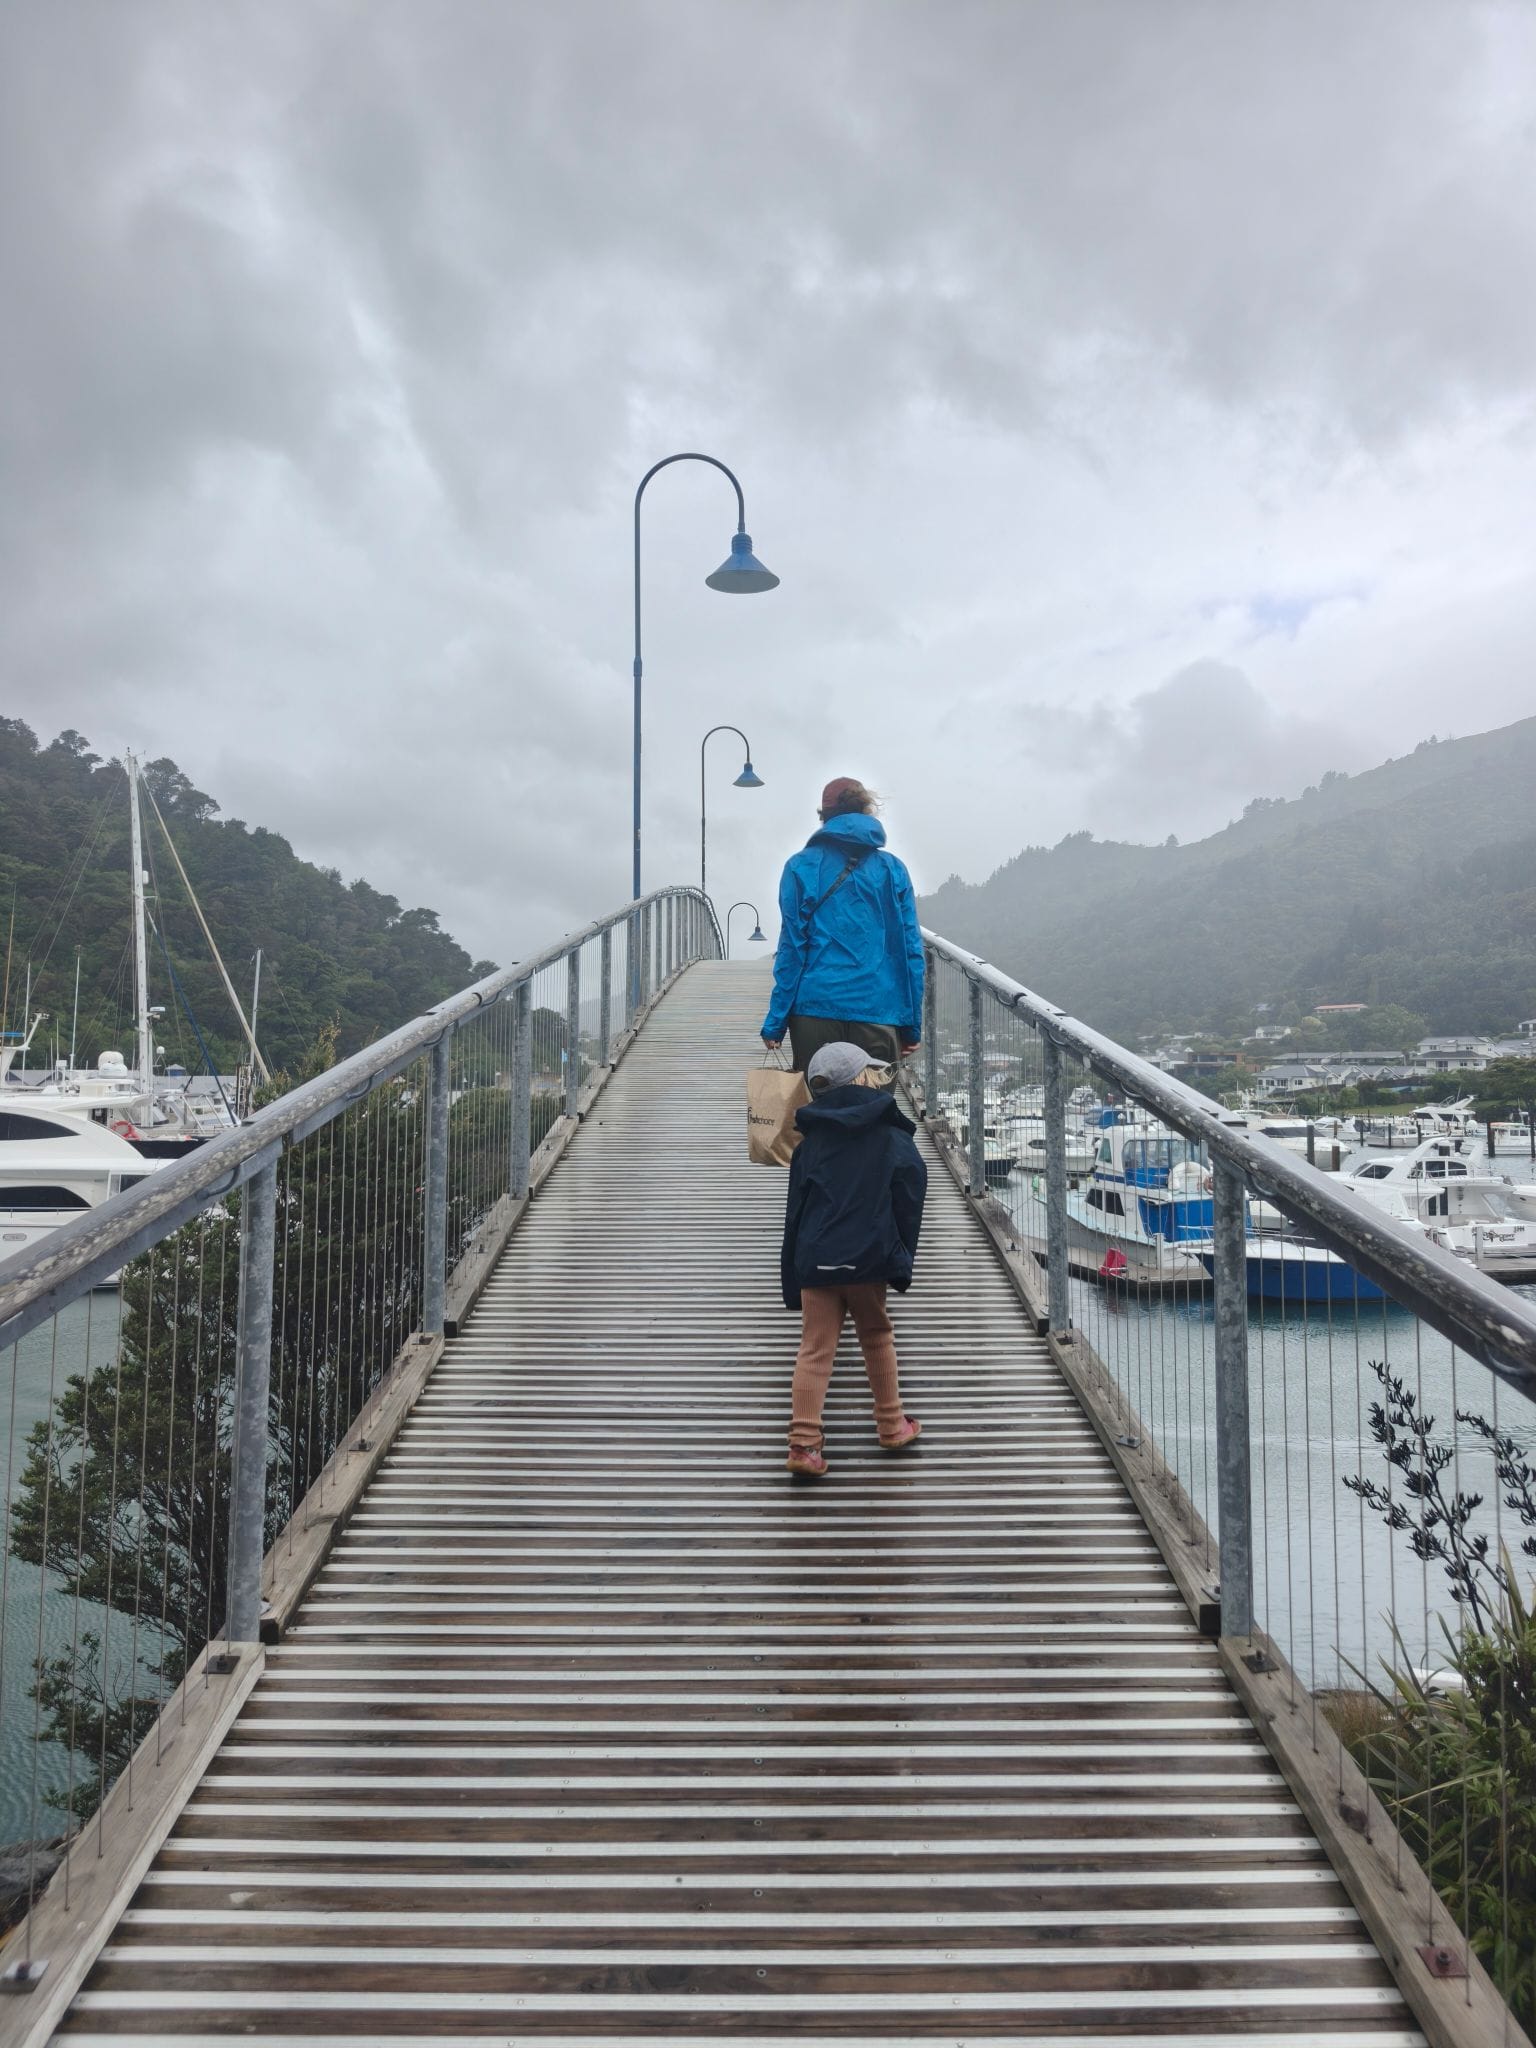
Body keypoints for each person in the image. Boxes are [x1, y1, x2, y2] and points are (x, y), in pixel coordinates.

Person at [780, 1040, 927, 1478]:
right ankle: (892, 1425)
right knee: (877, 1335)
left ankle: (803, 1443)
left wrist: (793, 1276)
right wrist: (899, 1256)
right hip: (868, 1258)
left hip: (817, 1260)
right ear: (864, 1078)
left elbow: (795, 1216)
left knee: (814, 1349)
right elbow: (910, 1196)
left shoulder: (808, 1145)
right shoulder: (891, 1137)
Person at [761, 777, 924, 1082]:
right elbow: (911, 952)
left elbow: (792, 950)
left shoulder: (800, 866)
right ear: (866, 810)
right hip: (878, 1010)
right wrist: (911, 1026)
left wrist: (776, 1022)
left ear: (824, 816)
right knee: (874, 1108)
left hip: (815, 1010)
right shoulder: (893, 870)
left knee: (818, 1105)